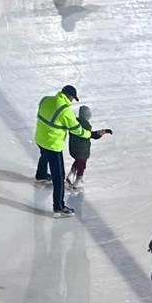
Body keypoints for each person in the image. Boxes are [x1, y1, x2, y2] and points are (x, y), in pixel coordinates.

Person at [33, 84, 89, 216]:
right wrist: (88, 134)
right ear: (69, 96)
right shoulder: (65, 110)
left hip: (40, 138)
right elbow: (76, 129)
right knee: (59, 177)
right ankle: (59, 207)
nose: (72, 101)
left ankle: (40, 175)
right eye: (72, 98)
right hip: (53, 145)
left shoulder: (45, 99)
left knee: (43, 155)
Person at [66, 103, 113, 193]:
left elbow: (88, 134)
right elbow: (91, 135)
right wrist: (103, 132)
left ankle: (71, 175)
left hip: (74, 149)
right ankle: (77, 182)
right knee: (82, 165)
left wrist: (103, 132)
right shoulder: (86, 126)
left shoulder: (75, 123)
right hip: (82, 151)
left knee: (78, 161)